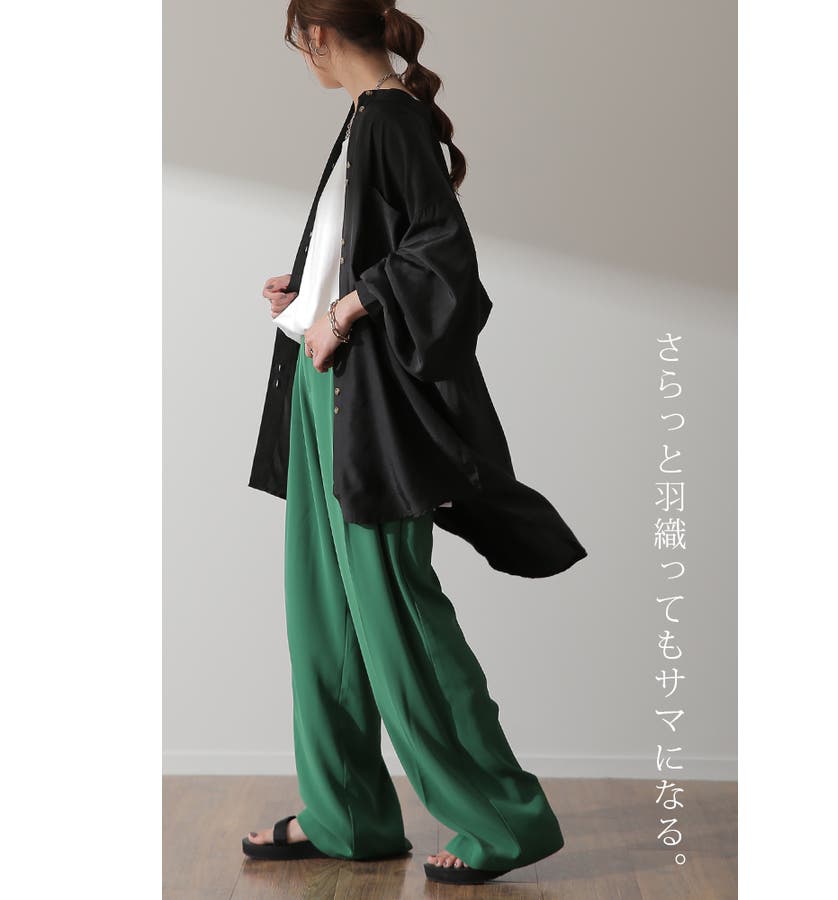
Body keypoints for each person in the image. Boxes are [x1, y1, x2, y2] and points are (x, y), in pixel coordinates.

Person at [242, 1, 587, 887]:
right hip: (321, 389)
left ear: (319, 35)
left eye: (299, 43)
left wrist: (349, 308)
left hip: (367, 404)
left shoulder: (392, 119)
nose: (303, 57)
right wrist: (309, 291)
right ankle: (346, 814)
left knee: (395, 611)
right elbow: (372, 247)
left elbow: (443, 258)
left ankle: (502, 820)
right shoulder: (365, 118)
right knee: (324, 611)